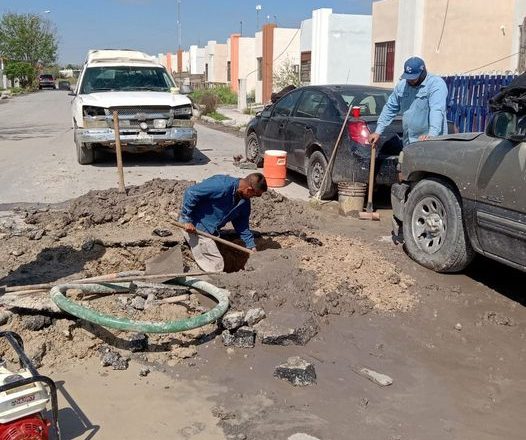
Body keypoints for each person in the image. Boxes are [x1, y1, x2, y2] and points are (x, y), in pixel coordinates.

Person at [179, 173, 268, 272]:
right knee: (216, 265)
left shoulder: (244, 201)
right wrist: (187, 220)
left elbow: (242, 224)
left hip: (211, 230)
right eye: (256, 194)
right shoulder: (221, 185)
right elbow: (191, 192)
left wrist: (251, 245)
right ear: (249, 189)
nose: (254, 197)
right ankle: (193, 263)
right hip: (196, 227)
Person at [369, 57, 448, 147]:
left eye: (414, 78)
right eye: (408, 78)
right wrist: (378, 131)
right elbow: (390, 108)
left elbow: (437, 110)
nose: (410, 81)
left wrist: (432, 135)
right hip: (409, 141)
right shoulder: (402, 86)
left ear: (423, 72)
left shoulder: (436, 84)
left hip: (430, 142)